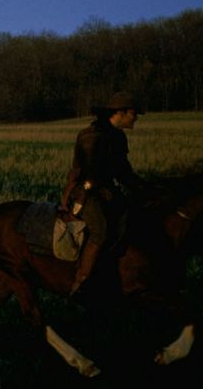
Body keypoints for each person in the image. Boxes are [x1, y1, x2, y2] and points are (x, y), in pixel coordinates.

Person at [61, 91, 148, 295]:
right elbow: (88, 171)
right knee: (100, 230)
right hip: (86, 193)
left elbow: (124, 172)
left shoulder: (117, 136)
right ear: (120, 113)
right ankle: (81, 280)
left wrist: (145, 188)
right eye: (133, 113)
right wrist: (101, 190)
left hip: (105, 190)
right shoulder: (92, 136)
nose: (135, 118)